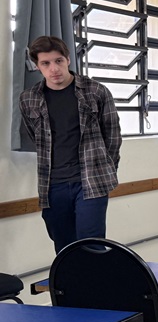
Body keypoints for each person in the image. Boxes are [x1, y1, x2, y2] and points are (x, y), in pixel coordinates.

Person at [19, 35, 122, 254]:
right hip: (52, 184)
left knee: (91, 244)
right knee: (63, 247)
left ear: (67, 59)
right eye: (46, 63)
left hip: (90, 181)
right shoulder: (28, 99)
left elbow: (113, 136)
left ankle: (95, 278)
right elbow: (35, 137)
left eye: (58, 61)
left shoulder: (96, 91)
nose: (54, 68)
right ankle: (70, 279)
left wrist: (106, 169)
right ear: (37, 66)